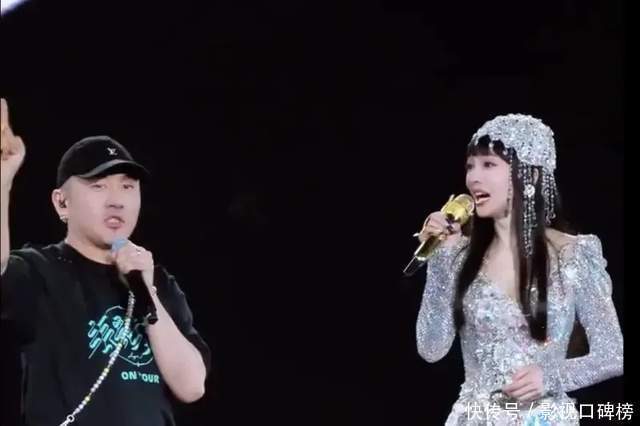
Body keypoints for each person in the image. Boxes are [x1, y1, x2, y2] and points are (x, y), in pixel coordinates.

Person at [0, 99, 211, 426]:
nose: (117, 201)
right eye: (98, 186)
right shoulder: (38, 270)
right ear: (61, 202)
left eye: (127, 187)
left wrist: (147, 292)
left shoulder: (157, 281)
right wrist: (2, 183)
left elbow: (192, 386)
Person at [415, 113, 623, 425]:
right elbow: (431, 348)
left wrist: (551, 377)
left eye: (488, 165)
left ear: (531, 175)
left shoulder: (574, 254)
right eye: (470, 166)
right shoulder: (459, 256)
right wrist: (440, 257)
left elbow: (614, 354)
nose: (473, 178)